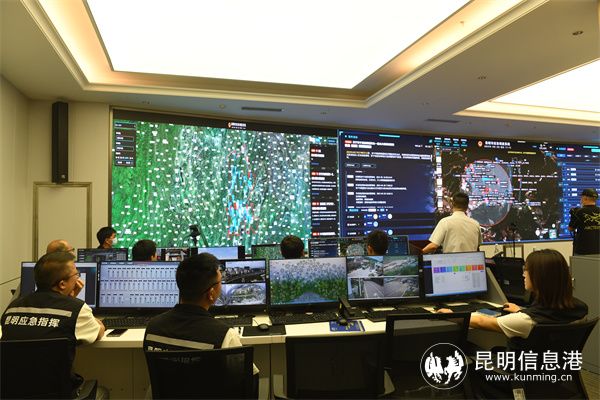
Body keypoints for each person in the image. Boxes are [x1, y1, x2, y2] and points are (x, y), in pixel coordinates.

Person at [438, 249, 588, 347]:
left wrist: (452, 315)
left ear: (539, 277)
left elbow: (482, 321)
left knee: (468, 348)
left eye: (526, 270)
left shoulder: (526, 321)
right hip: (554, 370)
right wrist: (521, 311)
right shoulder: (580, 309)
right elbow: (546, 315)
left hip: (519, 375)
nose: (523, 274)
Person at [1, 251, 105, 391]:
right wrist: (72, 301)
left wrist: (69, 300)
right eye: (76, 274)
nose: (78, 278)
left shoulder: (13, 307)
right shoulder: (76, 309)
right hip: (59, 393)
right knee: (102, 391)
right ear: (62, 284)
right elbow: (99, 331)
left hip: (12, 392)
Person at [143, 253, 258, 374]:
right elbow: (250, 377)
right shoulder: (224, 335)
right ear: (211, 293)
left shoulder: (153, 327)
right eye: (220, 282)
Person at [568, 188, 600, 255]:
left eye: (581, 197)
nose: (581, 199)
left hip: (583, 250)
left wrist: (573, 215)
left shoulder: (578, 212)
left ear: (585, 198)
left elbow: (571, 228)